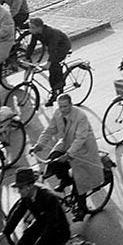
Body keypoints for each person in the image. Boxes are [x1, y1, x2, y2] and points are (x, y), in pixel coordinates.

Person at [32, 93, 103, 221]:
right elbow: (50, 130)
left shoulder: (80, 116)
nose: (63, 109)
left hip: (83, 149)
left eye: (65, 106)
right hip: (66, 143)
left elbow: (80, 139)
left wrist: (69, 154)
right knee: (53, 161)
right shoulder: (58, 114)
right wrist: (39, 144)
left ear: (71, 104)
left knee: (80, 180)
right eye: (60, 106)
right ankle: (65, 180)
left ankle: (82, 209)